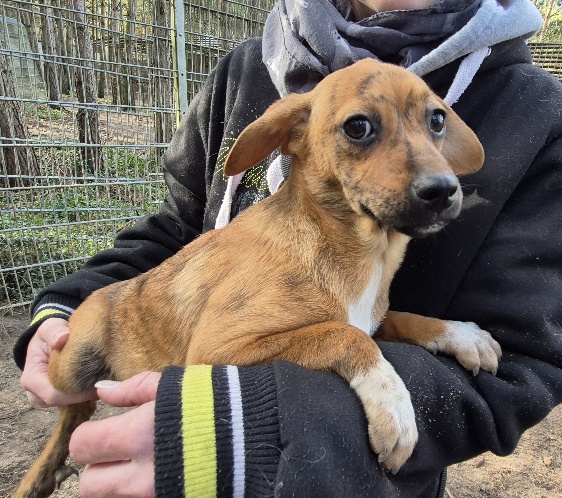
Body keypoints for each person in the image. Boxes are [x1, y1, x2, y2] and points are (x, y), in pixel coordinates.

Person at [13, 0, 562, 496]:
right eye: (359, 129)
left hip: (353, 477)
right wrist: (61, 308)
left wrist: (429, 331)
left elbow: (508, 358)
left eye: (434, 121)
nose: (437, 175)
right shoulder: (244, 75)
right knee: (71, 386)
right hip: (125, 331)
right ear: (293, 136)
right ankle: (57, 447)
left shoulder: (536, 112)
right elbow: (176, 234)